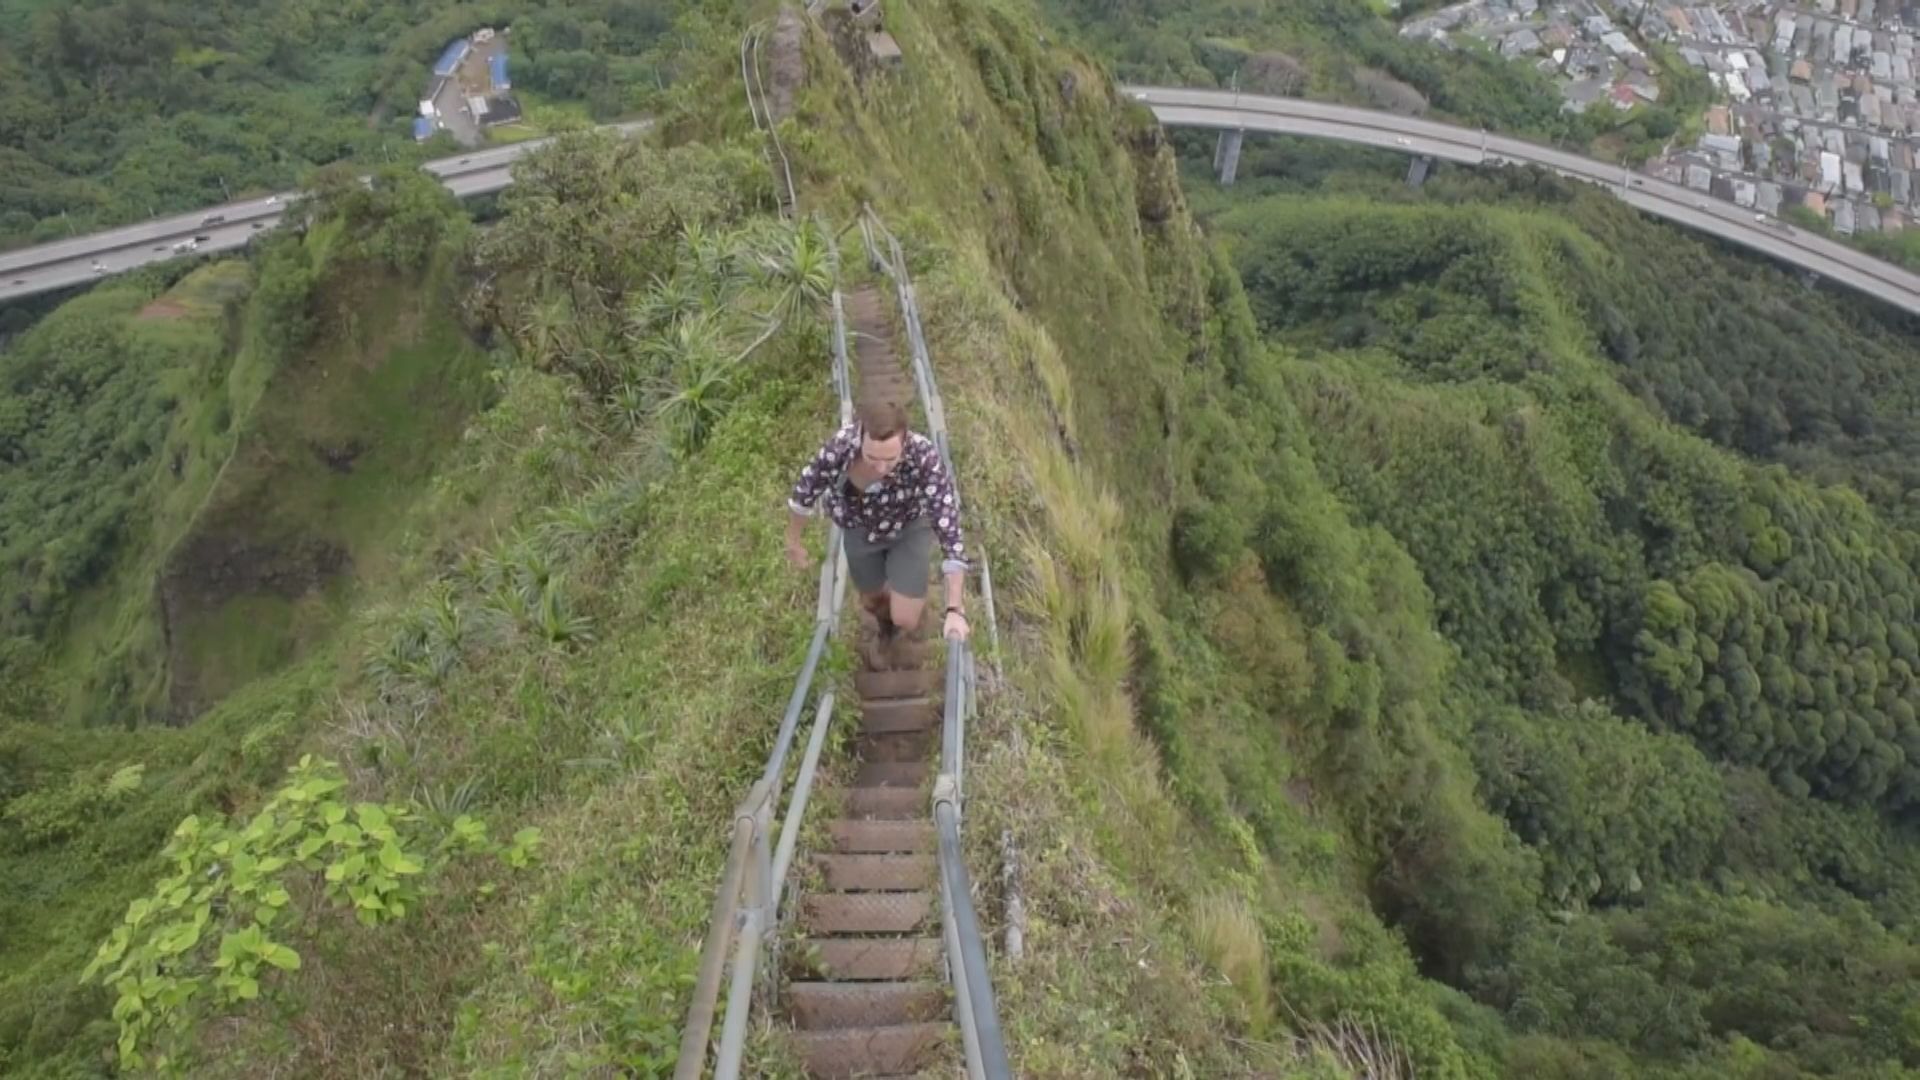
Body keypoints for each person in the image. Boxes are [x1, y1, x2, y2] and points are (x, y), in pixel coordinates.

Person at [784, 399, 970, 644]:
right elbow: (805, 491)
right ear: (861, 436)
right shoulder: (839, 449)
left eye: (891, 459)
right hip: (859, 527)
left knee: (906, 617)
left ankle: (906, 612)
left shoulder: (924, 457)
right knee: (871, 600)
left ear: (905, 441)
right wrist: (793, 540)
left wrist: (955, 609)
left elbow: (950, 530)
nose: (881, 468)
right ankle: (886, 625)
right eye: (872, 457)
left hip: (908, 528)